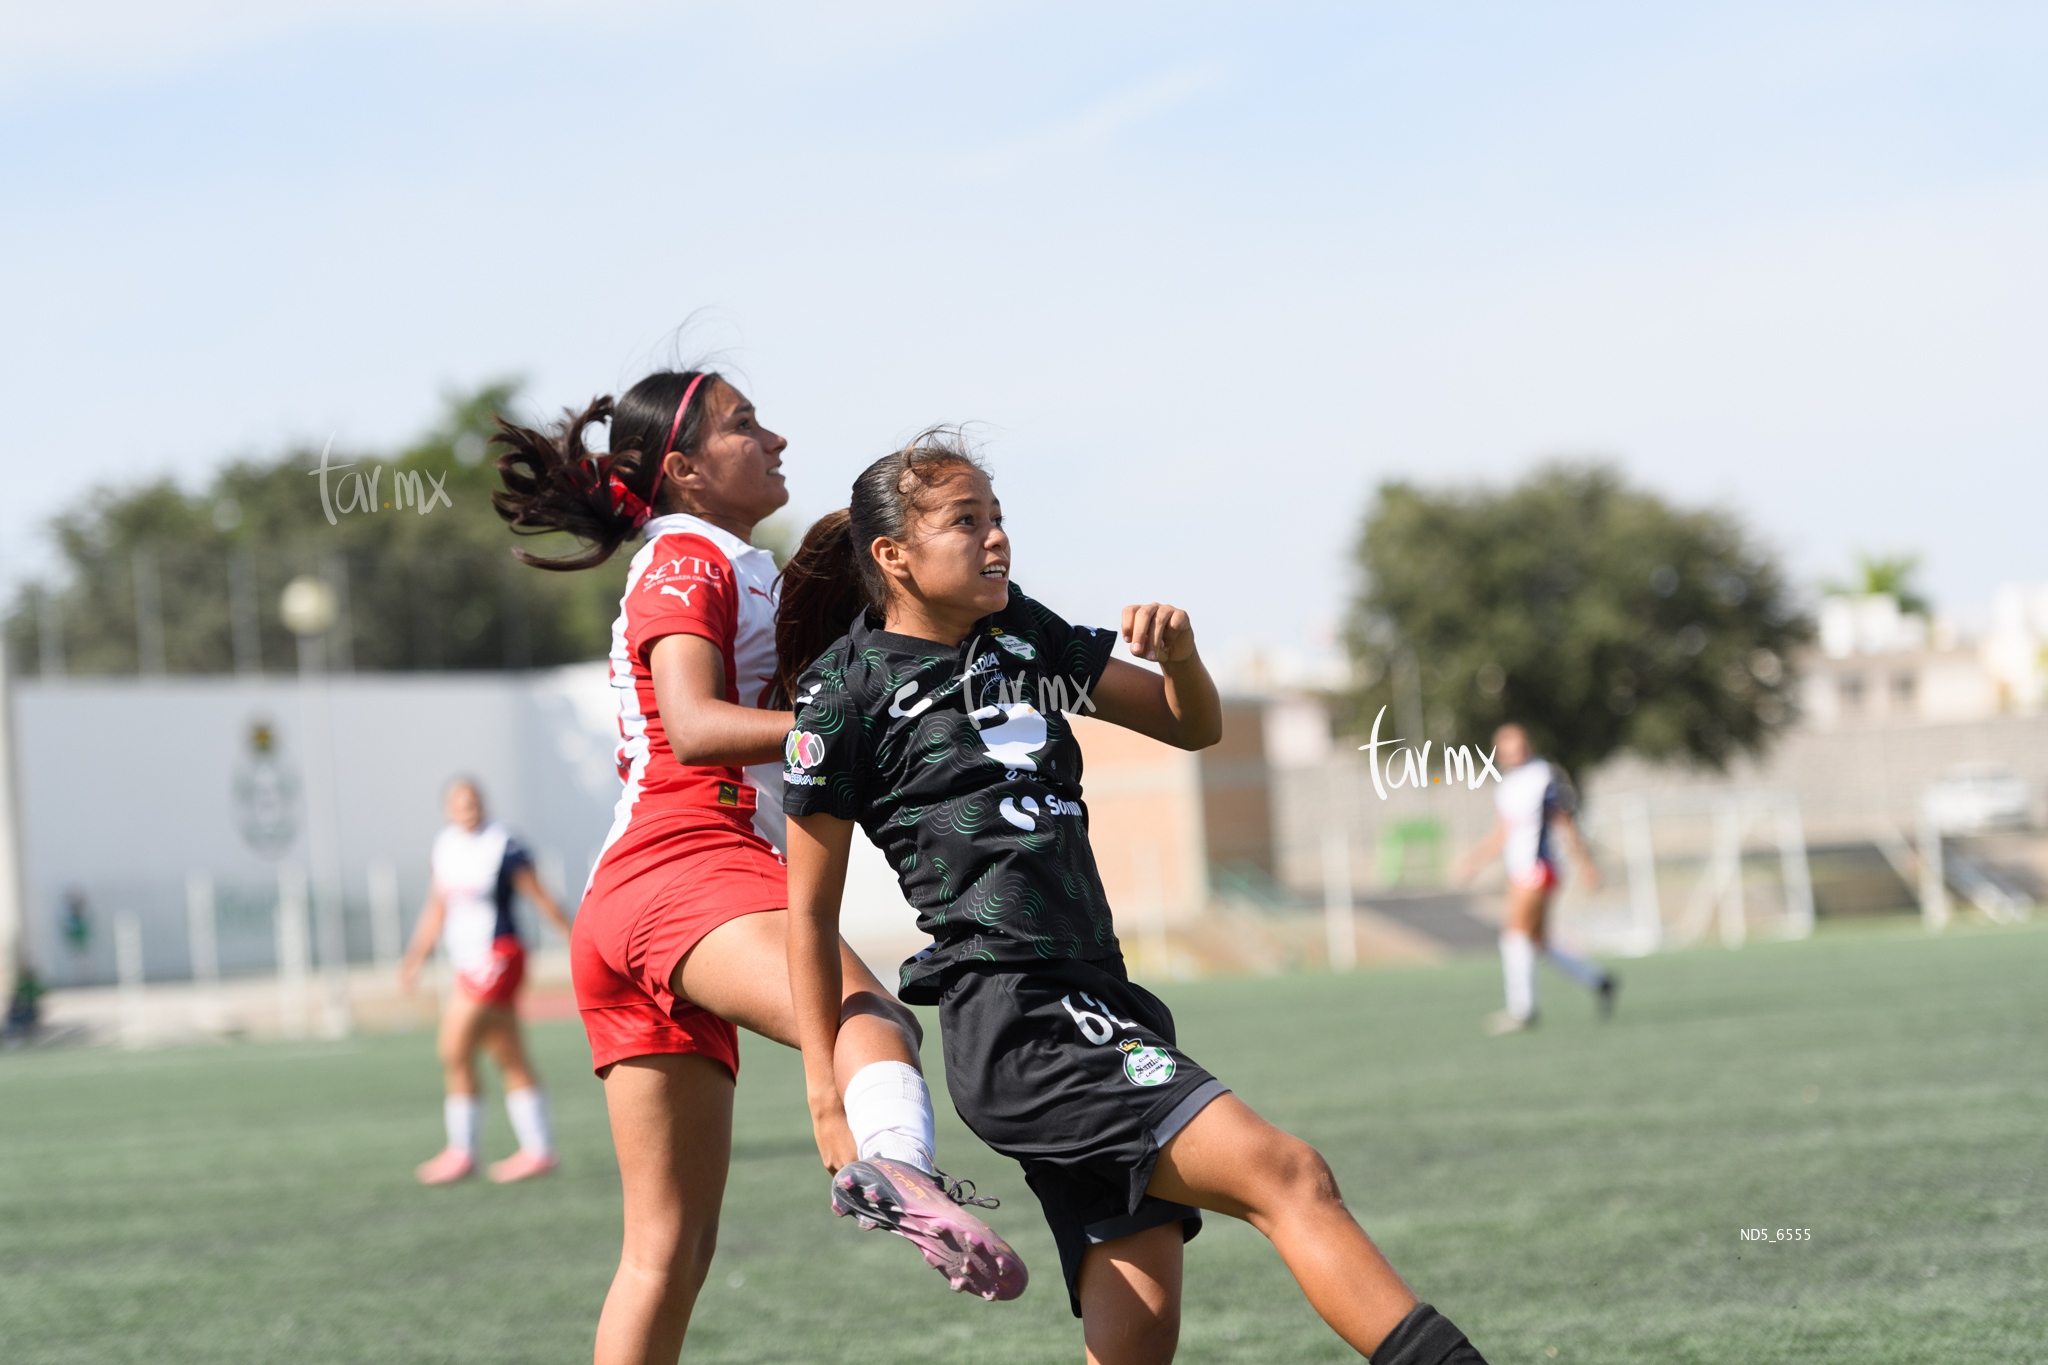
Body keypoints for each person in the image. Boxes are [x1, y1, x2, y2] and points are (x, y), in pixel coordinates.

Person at [780, 434, 1490, 1365]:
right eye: (967, 520)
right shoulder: (846, 690)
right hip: (1018, 1016)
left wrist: (1186, 657)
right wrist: (828, 1105)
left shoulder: (1020, 634)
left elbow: (1190, 724)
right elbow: (807, 913)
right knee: (1289, 1174)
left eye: (999, 519)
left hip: (1099, 996)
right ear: (893, 555)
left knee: (1140, 1335)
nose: (996, 540)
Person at [489, 370, 1023, 1365]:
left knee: (665, 1254)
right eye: (744, 424)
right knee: (867, 1018)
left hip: (640, 903)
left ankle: (883, 1169)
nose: (773, 437)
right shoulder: (689, 559)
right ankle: (899, 1173)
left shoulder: (725, 559)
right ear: (684, 470)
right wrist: (860, 724)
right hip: (684, 862)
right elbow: (694, 728)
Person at [399, 777, 574, 1184]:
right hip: (468, 962)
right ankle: (540, 1150)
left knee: (454, 1046)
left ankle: (462, 1152)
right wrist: (415, 959)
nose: (468, 809)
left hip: (500, 956)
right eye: (459, 803)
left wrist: (575, 936)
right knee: (507, 1053)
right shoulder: (445, 846)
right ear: (447, 809)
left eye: (474, 801)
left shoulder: (503, 843)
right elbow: (437, 908)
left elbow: (539, 895)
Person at [1451, 723, 1616, 1035]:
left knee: (1514, 936)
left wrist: (1586, 864)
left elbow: (1563, 820)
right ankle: (1599, 982)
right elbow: (1504, 833)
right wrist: (1473, 861)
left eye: (1518, 743)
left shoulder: (1543, 776)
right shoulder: (1506, 786)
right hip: (1520, 871)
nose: (1513, 751)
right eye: (1505, 745)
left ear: (1528, 744)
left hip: (1539, 869)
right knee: (1539, 943)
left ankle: (1522, 1010)